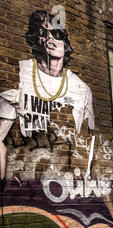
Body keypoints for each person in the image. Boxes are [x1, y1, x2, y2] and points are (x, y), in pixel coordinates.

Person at [0, 10, 95, 192]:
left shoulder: (82, 91)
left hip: (72, 189)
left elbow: (87, 146)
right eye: (44, 33)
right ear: (36, 40)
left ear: (66, 42)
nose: (51, 39)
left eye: (57, 34)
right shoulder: (19, 77)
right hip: (24, 188)